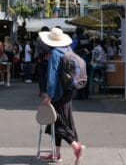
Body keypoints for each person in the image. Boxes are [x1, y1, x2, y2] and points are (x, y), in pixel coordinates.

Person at [39, 27, 86, 164]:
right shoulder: (68, 49)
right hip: (68, 90)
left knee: (58, 121)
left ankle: (77, 148)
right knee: (59, 121)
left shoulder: (54, 53)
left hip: (58, 93)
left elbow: (52, 77)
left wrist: (49, 95)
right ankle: (56, 154)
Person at [75, 29, 92, 100]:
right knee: (86, 77)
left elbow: (72, 50)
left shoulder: (76, 40)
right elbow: (91, 50)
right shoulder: (87, 40)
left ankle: (80, 95)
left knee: (79, 78)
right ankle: (86, 94)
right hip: (87, 62)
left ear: (76, 32)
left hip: (79, 62)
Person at [36, 26, 50, 96]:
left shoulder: (39, 38)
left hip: (40, 58)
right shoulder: (42, 38)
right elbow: (46, 49)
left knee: (42, 75)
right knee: (44, 75)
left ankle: (42, 90)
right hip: (44, 58)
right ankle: (43, 91)